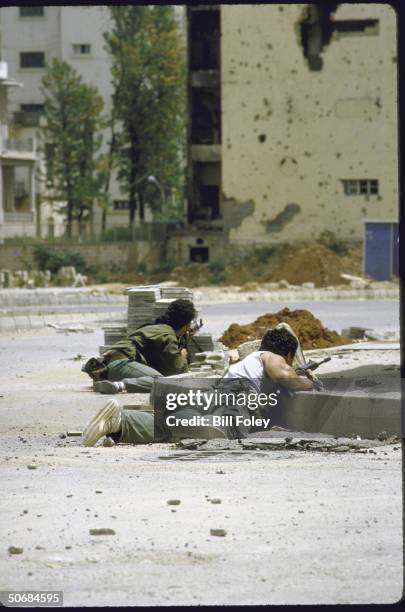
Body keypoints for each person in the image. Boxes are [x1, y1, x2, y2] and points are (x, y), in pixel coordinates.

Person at [82, 298, 196, 394]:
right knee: (162, 383)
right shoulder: (168, 334)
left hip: (107, 366)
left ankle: (106, 382)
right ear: (185, 324)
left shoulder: (156, 328)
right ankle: (119, 386)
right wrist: (182, 356)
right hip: (120, 364)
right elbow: (177, 373)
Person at [224, 326, 315, 393]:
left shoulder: (253, 359)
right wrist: (310, 382)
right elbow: (289, 380)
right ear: (289, 355)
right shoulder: (271, 356)